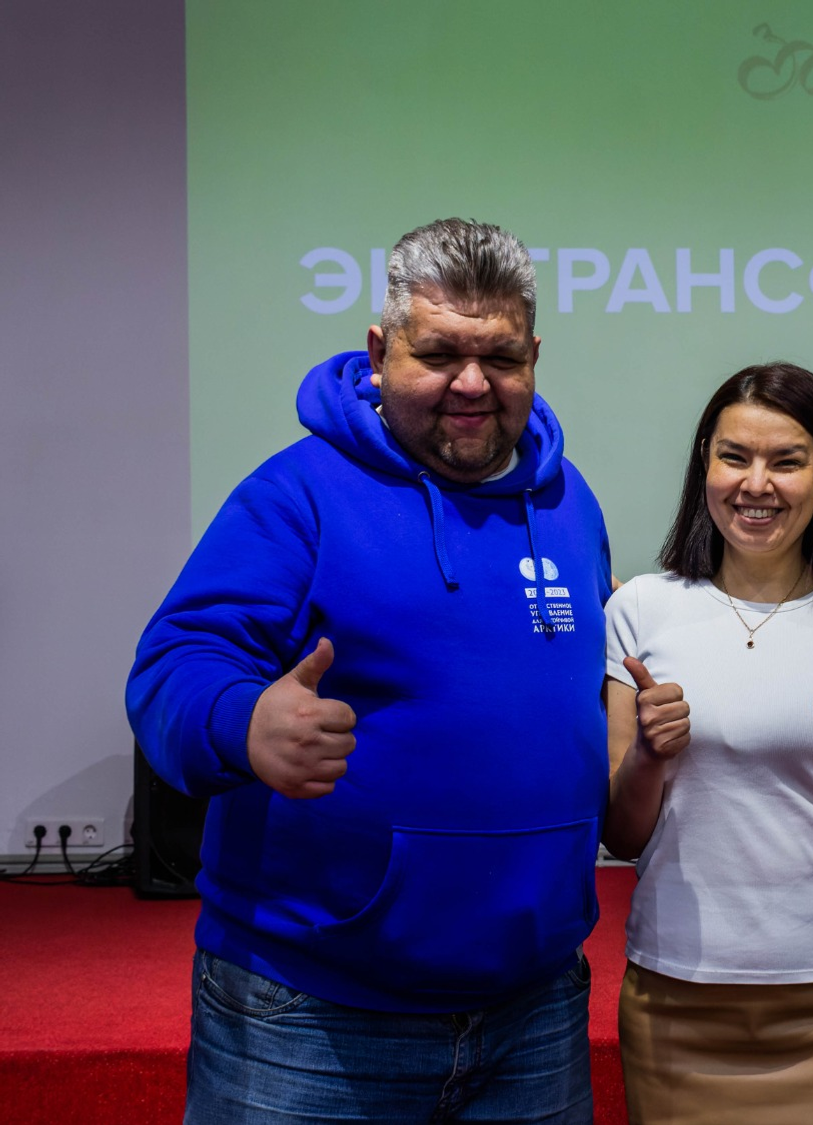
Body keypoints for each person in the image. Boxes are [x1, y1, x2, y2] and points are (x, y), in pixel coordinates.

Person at [126, 219, 610, 1124]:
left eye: (500, 357)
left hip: (535, 1009)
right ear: (382, 353)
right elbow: (172, 664)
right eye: (441, 355)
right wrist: (242, 722)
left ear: (535, 356)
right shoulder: (297, 493)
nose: (473, 383)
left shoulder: (568, 499)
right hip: (310, 1016)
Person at [603, 362, 813, 1125]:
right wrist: (648, 758)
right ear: (705, 465)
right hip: (675, 1000)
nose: (757, 484)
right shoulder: (640, 609)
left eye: (787, 461)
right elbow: (621, 834)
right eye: (735, 457)